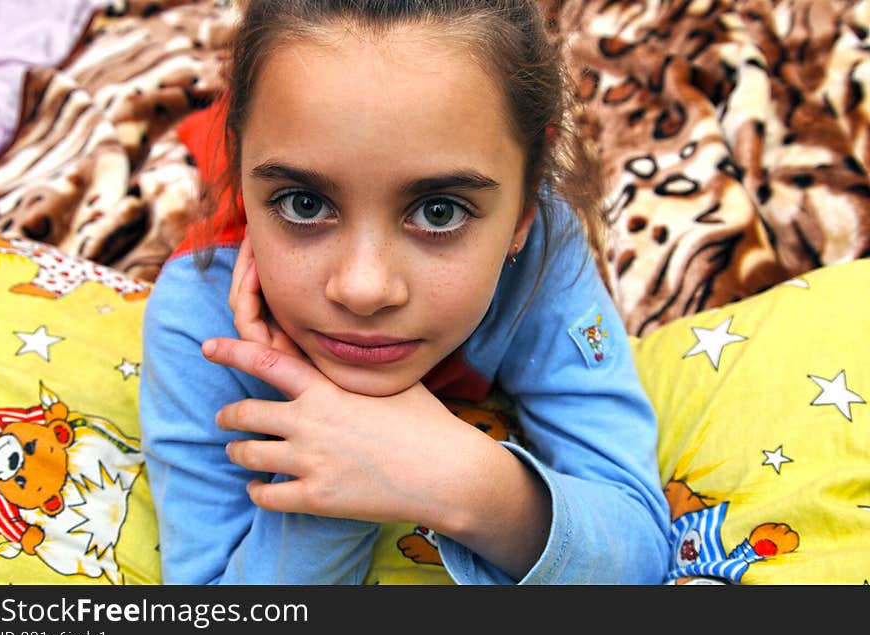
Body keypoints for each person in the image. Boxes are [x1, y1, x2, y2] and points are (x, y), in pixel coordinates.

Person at [139, 0, 671, 585]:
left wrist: (470, 484)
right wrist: (333, 480)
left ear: (522, 208)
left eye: (439, 212)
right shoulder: (199, 316)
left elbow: (640, 550)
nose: (364, 290)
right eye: (303, 203)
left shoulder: (542, 253)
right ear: (240, 170)